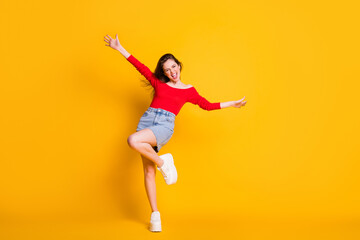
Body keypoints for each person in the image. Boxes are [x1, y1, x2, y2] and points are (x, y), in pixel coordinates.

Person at [104, 34, 247, 232]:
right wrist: (120, 48)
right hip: (147, 120)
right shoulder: (159, 83)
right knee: (148, 171)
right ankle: (155, 216)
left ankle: (163, 162)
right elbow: (140, 66)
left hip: (164, 126)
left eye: (173, 66)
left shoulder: (189, 90)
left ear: (179, 65)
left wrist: (232, 103)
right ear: (163, 73)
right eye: (167, 70)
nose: (172, 72)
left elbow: (207, 105)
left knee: (132, 140)